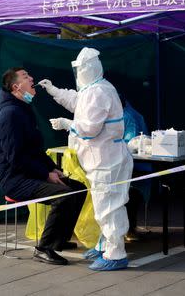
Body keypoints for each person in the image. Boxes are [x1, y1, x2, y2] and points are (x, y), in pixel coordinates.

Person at [38, 47, 133, 271]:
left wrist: (66, 123)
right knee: (104, 206)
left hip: (107, 161)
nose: (79, 72)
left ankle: (116, 253)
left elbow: (89, 128)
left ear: (88, 68)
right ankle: (104, 245)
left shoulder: (99, 91)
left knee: (109, 208)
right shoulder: (94, 89)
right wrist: (53, 90)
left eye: (80, 68)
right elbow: (77, 101)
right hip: (102, 160)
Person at [0, 67, 86, 266]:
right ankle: (45, 249)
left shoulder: (23, 109)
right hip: (15, 179)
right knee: (64, 197)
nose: (32, 78)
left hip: (30, 172)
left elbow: (36, 150)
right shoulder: (10, 114)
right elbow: (16, 158)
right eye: (26, 77)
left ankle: (58, 239)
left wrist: (52, 168)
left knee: (79, 189)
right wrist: (45, 174)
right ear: (16, 87)